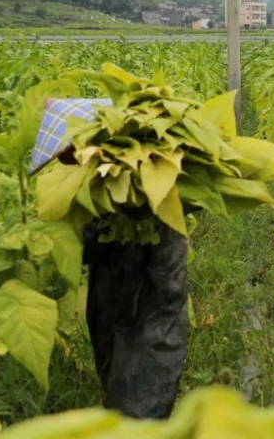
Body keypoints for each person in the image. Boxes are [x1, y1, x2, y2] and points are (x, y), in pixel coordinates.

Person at [29, 98, 188, 419]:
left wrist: (48, 243)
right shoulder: (109, 176)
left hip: (149, 306)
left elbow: (91, 242)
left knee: (141, 399)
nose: (65, 161)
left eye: (67, 153)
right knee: (120, 385)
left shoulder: (132, 180)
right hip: (118, 300)